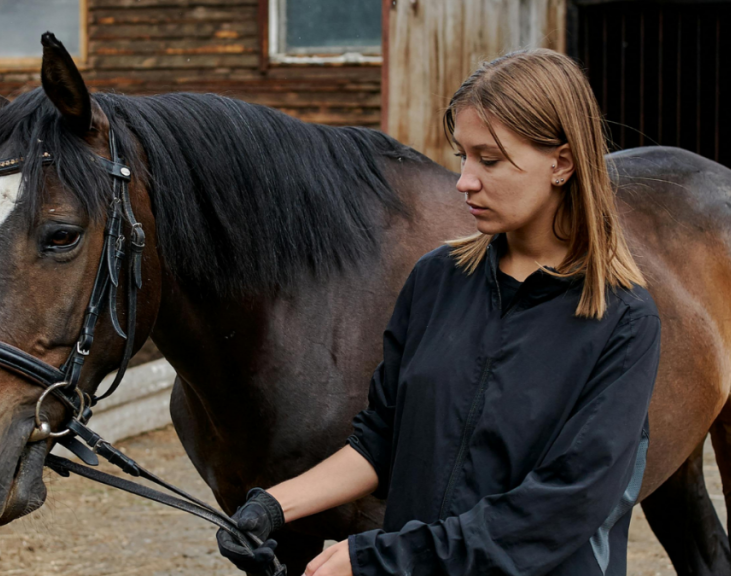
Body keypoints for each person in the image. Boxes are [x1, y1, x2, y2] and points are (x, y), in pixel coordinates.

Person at [216, 48, 661, 576]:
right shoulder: (436, 279)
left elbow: (560, 509)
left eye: (490, 160)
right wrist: (271, 506)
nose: (465, 181)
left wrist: (381, 559)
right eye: (463, 157)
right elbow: (379, 441)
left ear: (561, 163)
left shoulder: (625, 321)